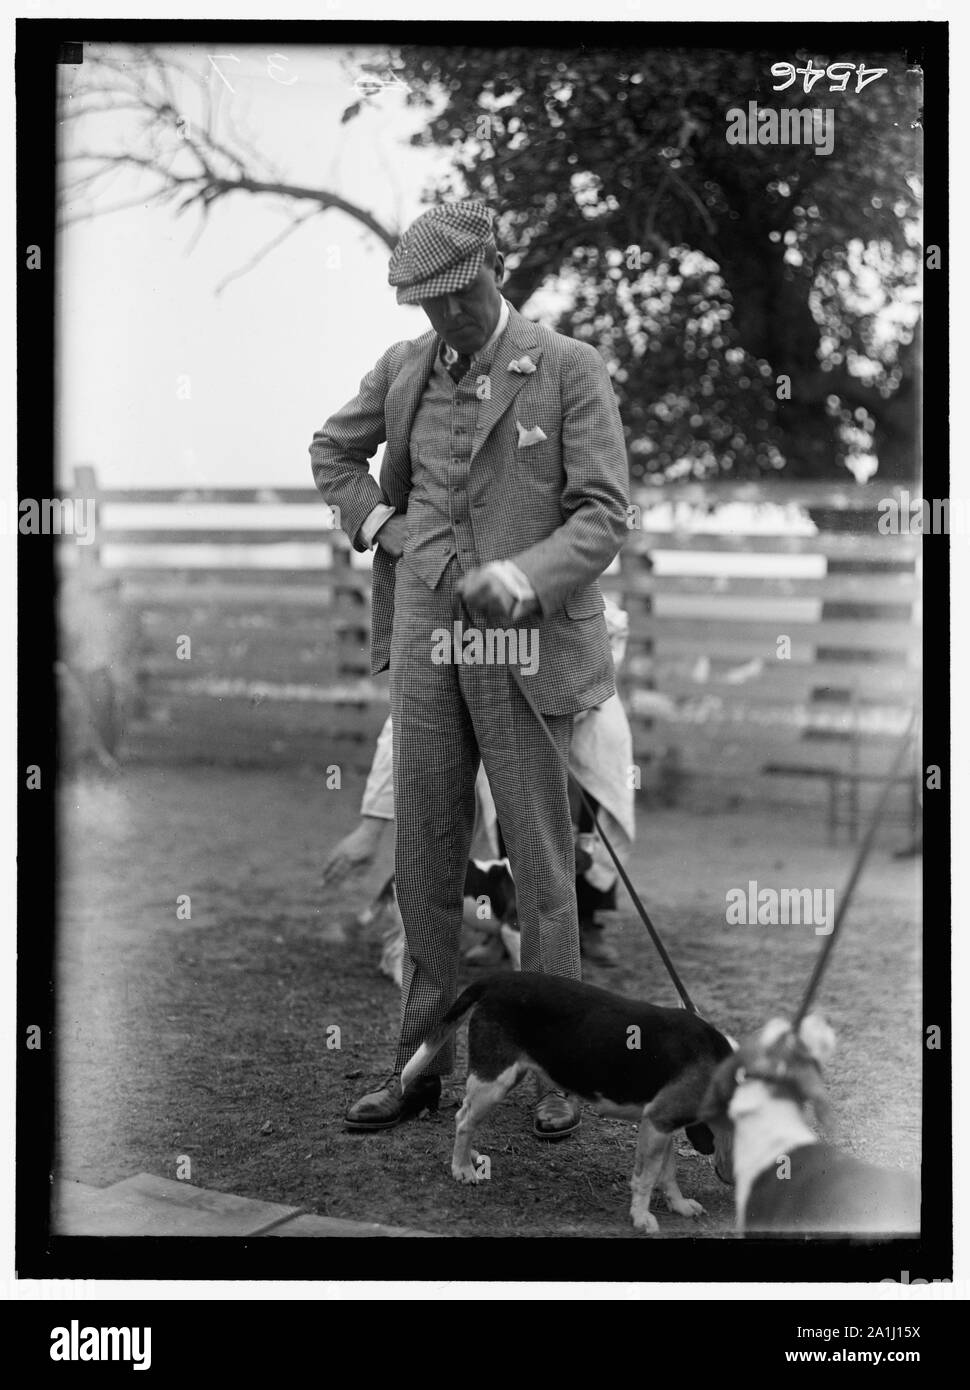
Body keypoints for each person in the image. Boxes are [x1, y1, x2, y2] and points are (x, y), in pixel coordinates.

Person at [310, 200, 629, 1137]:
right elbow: (333, 451)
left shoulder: (569, 368)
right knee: (423, 861)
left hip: (521, 647)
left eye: (457, 294)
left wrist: (523, 579)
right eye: (427, 302)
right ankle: (419, 1067)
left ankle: (563, 1069)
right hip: (422, 637)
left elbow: (605, 513)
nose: (444, 317)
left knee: (538, 860)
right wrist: (386, 526)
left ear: (495, 262)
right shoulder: (403, 369)